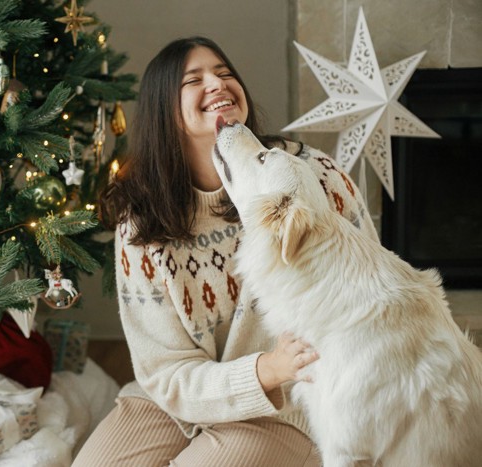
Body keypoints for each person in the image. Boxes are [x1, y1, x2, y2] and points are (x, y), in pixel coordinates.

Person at [73, 36, 377, 466]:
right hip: (175, 402)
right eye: (194, 80)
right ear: (166, 109)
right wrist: (262, 368)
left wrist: (286, 373)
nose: (217, 84)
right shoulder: (141, 217)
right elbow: (165, 370)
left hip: (290, 400)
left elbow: (369, 286)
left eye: (225, 73)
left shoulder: (309, 176)